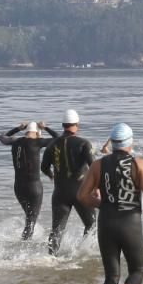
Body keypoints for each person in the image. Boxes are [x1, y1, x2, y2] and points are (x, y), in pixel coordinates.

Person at [77, 123, 143, 284]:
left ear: (112, 144)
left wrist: (102, 205)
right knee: (138, 270)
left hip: (107, 223)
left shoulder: (98, 165)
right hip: (130, 222)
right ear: (130, 143)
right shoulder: (139, 164)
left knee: (111, 275)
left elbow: (82, 196)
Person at [41, 109, 96, 256]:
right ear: (77, 125)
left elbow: (43, 167)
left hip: (60, 193)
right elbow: (94, 167)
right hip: (81, 192)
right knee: (92, 225)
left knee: (57, 229)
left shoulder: (52, 145)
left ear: (63, 125)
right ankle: (82, 253)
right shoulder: (84, 143)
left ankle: (50, 258)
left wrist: (51, 175)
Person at [0, 121, 59, 241]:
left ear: (26, 132)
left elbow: (2, 137)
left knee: (29, 219)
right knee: (31, 221)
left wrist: (17, 128)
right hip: (34, 188)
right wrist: (46, 127)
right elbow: (59, 138)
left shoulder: (15, 142)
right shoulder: (37, 142)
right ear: (38, 133)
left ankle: (24, 243)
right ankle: (24, 249)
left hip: (18, 188)